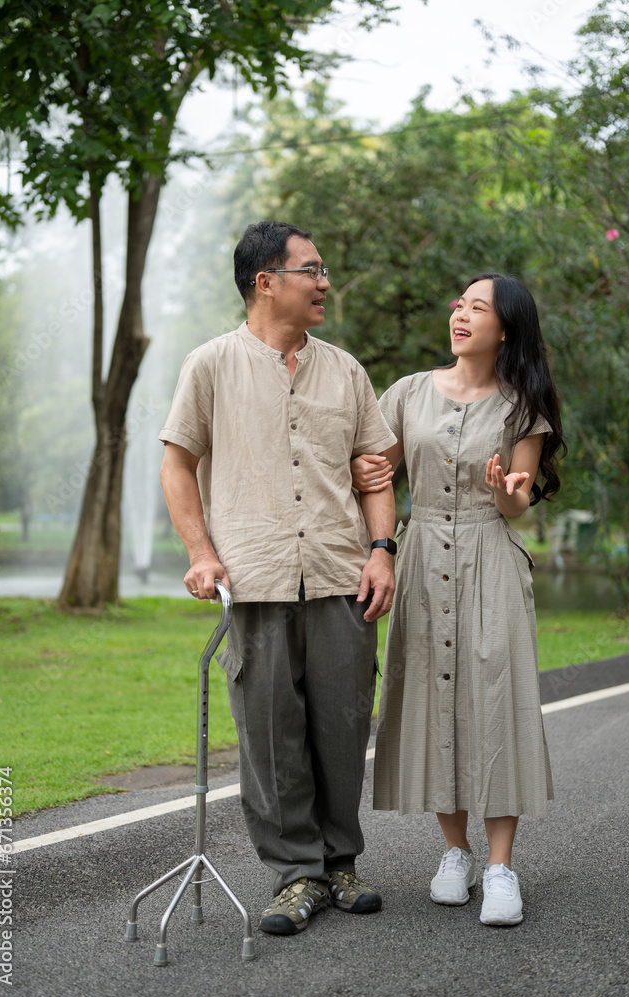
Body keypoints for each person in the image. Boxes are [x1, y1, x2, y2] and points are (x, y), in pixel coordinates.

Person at [159, 220, 397, 936]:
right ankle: (296, 875)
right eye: (311, 270)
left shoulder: (346, 370)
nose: (324, 283)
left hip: (337, 573)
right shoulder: (209, 365)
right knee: (269, 736)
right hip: (254, 577)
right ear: (266, 282)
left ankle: (339, 862)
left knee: (340, 728)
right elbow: (177, 463)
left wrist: (382, 549)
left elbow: (375, 468)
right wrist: (200, 552)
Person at [351, 272, 565, 926]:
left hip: (487, 557)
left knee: (495, 701)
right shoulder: (408, 393)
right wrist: (363, 476)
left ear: (506, 328)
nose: (461, 315)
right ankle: (453, 852)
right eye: (459, 304)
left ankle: (500, 865)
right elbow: (373, 468)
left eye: (478, 308)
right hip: (419, 559)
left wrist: (503, 488)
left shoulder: (521, 403)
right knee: (431, 698)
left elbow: (518, 504)